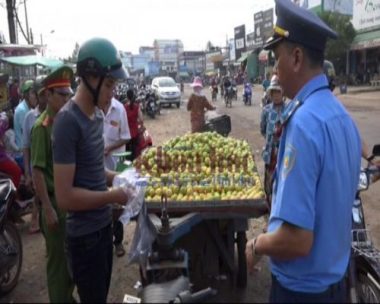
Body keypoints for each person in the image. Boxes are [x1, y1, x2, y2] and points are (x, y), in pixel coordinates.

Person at [245, 1, 362, 302]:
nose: (274, 69)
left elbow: (297, 240)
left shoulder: (304, 124)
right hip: (336, 284)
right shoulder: (342, 118)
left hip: (301, 292)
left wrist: (256, 245)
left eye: (276, 58)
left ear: (296, 58)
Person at [52, 38, 136, 303]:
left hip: (102, 229)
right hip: (84, 238)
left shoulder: (97, 115)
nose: (113, 93)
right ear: (89, 77)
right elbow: (65, 198)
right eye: (109, 84)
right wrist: (112, 196)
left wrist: (123, 177)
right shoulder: (67, 122)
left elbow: (94, 171)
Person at [31, 65, 75, 303]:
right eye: (62, 94)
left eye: (69, 93)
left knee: (70, 259)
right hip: (54, 202)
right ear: (48, 95)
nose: (67, 98)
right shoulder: (42, 127)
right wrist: (47, 208)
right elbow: (37, 172)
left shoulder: (63, 122)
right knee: (57, 264)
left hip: (68, 200)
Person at [101, 95, 131, 257]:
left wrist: (109, 148)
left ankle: (118, 242)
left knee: (117, 205)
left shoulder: (119, 109)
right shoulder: (93, 108)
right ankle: (105, 242)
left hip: (115, 165)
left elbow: (126, 137)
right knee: (101, 205)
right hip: (97, 166)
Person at [22, 76, 48, 234]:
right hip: (37, 168)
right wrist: (27, 173)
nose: (45, 97)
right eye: (42, 94)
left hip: (53, 169)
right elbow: (26, 146)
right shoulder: (30, 117)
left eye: (47, 93)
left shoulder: (58, 114)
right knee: (41, 199)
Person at [260, 76, 285, 209]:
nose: (276, 95)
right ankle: (270, 210)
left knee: (282, 183)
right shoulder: (266, 110)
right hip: (270, 153)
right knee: (269, 183)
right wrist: (271, 139)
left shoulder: (288, 110)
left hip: (284, 152)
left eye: (278, 92)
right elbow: (262, 129)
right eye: (274, 92)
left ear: (283, 93)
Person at [14, 79, 38, 154]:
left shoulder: (28, 108)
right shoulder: (22, 110)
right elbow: (30, 134)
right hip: (23, 152)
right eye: (33, 93)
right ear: (26, 95)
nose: (36, 97)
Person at [0, 112, 22, 188]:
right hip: (2, 158)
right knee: (17, 171)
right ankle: (14, 196)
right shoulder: (4, 123)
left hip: (5, 155)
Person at [124, 89, 144, 160]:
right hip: (135, 133)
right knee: (135, 153)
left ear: (127, 96)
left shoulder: (124, 107)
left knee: (126, 153)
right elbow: (141, 119)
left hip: (126, 135)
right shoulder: (137, 107)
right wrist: (141, 127)